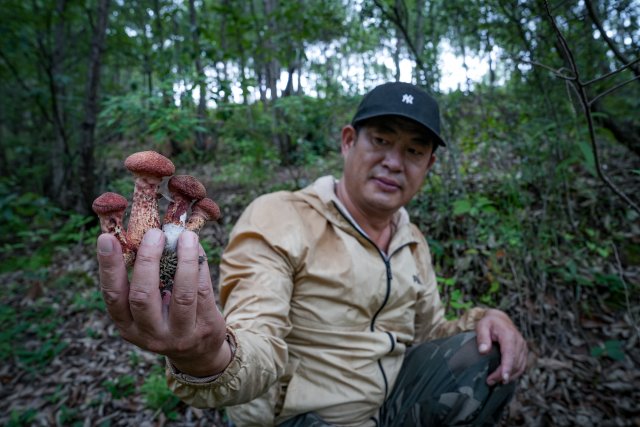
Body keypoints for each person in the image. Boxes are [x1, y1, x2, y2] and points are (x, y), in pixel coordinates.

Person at [96, 82, 528, 426]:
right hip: (305, 418)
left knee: (485, 354)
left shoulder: (413, 241)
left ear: (429, 165)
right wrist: (208, 356)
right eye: (380, 140)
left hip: (390, 407)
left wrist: (487, 319)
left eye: (414, 150)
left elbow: (430, 331)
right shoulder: (281, 216)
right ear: (347, 141)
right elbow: (256, 332)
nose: (394, 162)